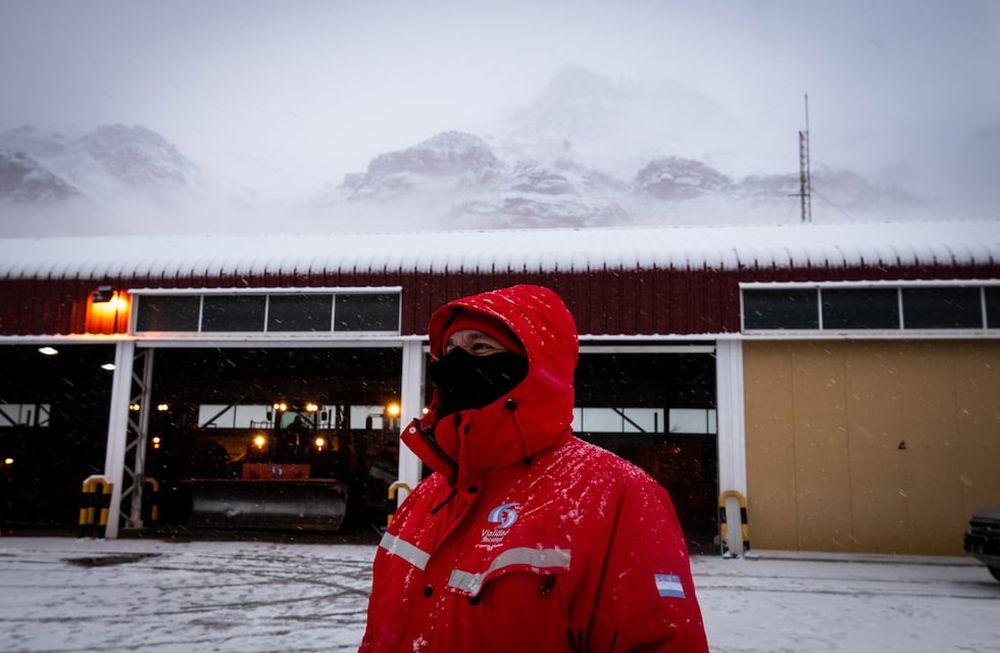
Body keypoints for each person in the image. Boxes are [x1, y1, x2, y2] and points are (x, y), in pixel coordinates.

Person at [360, 284, 708, 652]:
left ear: (536, 367)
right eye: (450, 351)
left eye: (480, 348)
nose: (457, 366)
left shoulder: (617, 494)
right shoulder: (427, 498)